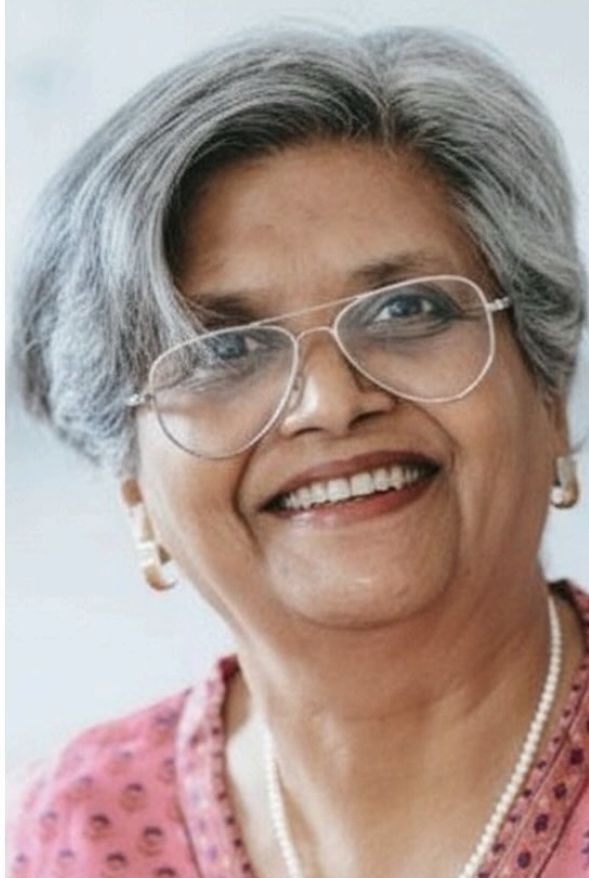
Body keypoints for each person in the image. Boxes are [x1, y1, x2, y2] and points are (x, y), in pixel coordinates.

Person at [8, 24, 589, 878]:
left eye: (407, 311)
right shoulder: (83, 834)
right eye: (222, 351)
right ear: (134, 488)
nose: (330, 402)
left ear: (546, 386)